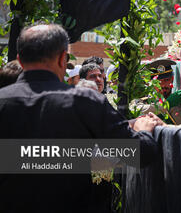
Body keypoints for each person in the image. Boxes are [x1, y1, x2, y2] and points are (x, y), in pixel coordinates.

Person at [0, 24, 163, 213]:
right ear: (63, 58)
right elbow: (141, 153)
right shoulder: (85, 101)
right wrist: (142, 129)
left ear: (20, 59)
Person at [138, 59, 181, 125]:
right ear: (150, 83)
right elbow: (139, 110)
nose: (163, 85)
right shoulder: (144, 101)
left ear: (172, 79)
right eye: (158, 81)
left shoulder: (179, 99)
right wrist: (167, 104)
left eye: (167, 80)